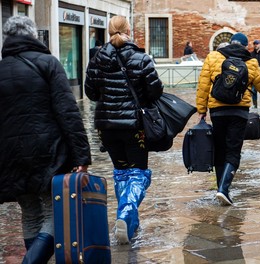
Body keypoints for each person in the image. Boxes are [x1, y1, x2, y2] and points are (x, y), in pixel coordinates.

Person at [0, 16, 91, 263]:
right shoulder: (48, 63)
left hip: (10, 155)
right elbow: (68, 112)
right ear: (32, 36)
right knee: (54, 214)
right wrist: (82, 156)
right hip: (47, 151)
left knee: (29, 213)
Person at [85, 15, 164, 244]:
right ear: (129, 30)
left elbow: (91, 93)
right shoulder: (141, 58)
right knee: (138, 172)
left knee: (121, 171)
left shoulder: (97, 59)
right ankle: (126, 213)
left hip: (106, 126)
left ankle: (129, 223)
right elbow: (155, 92)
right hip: (134, 126)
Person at [196, 32, 260, 205]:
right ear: (245, 46)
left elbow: (203, 85)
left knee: (219, 149)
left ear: (229, 43)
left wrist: (201, 109)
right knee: (233, 150)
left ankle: (221, 187)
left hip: (217, 110)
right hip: (239, 112)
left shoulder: (213, 57)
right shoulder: (251, 62)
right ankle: (224, 189)